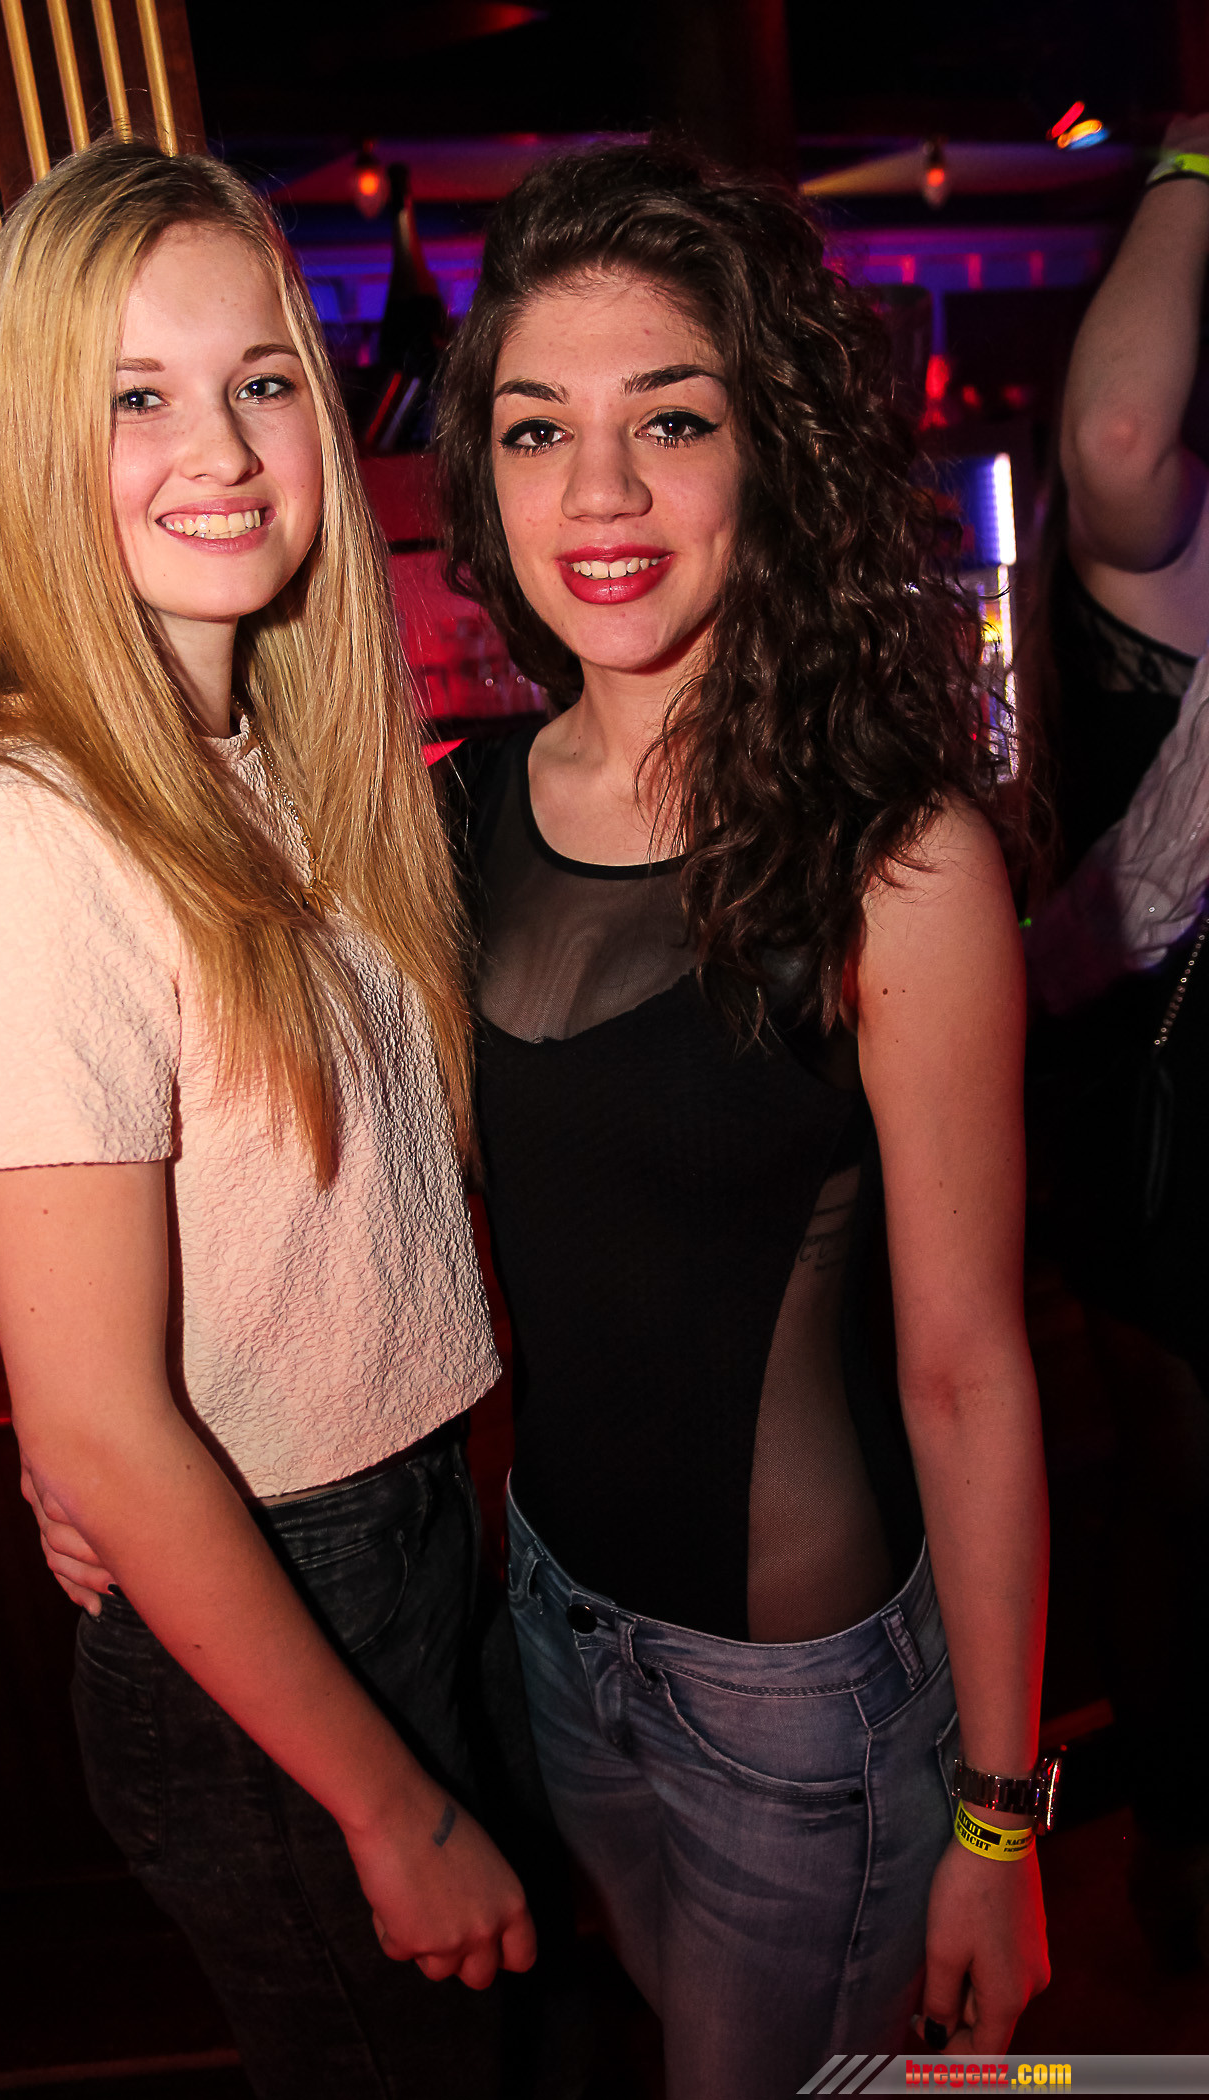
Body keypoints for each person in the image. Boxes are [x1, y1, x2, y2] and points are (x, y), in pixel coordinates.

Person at [0, 139, 535, 2100]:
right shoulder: (33, 828)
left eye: (260, 380)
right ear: (32, 450)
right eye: (136, 398)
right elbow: (101, 1422)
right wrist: (389, 1807)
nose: (225, 450)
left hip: (403, 1543)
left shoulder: (278, 756)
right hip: (278, 1624)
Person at [434, 142, 1051, 2095]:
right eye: (539, 430)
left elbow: (967, 1370)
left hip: (800, 1708)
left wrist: (999, 1825)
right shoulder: (455, 809)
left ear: (769, 452)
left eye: (670, 421)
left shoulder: (899, 866)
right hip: (550, 1623)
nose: (598, 495)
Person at [1021, 112, 1209, 1970]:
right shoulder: (1178, 536)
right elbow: (1119, 441)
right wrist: (1198, 157)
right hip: (1180, 1133)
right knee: (1187, 1515)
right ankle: (1181, 1850)